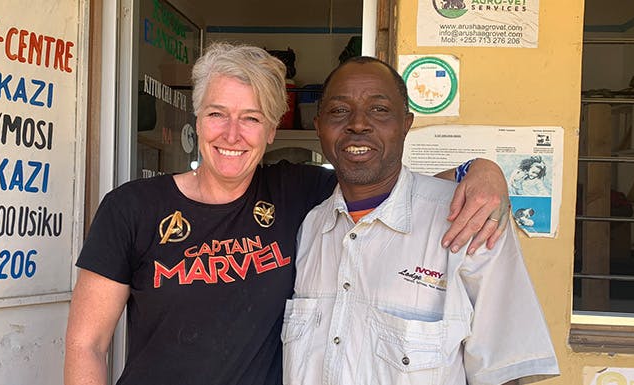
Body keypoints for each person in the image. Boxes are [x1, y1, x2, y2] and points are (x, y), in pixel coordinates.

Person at [64, 43, 510, 385]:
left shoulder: (296, 192)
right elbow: (88, 343)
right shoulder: (132, 208)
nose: (232, 134)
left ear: (273, 129)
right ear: (197, 119)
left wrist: (482, 171)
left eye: (252, 118)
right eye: (217, 114)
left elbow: (390, 182)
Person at [283, 57, 559, 385]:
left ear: (406, 124)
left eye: (380, 109)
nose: (358, 124)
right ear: (318, 127)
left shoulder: (468, 220)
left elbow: (503, 373)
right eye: (339, 111)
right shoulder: (311, 227)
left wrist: (483, 166)